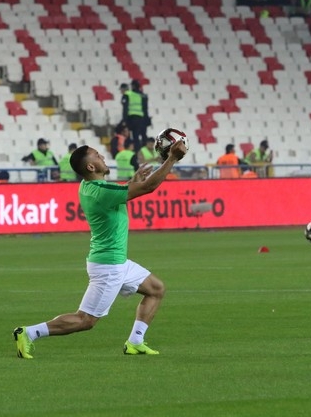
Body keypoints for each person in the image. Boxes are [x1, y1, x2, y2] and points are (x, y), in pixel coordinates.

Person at [13, 139, 188, 359]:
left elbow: (123, 191)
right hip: (108, 266)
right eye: (97, 155)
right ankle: (28, 333)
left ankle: (135, 342)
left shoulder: (87, 186)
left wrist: (131, 184)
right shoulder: (102, 191)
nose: (102, 157)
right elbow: (148, 188)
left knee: (156, 289)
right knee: (85, 320)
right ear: (90, 167)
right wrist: (172, 158)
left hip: (116, 261)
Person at [122, 80, 148, 151]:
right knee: (143, 136)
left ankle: (136, 152)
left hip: (132, 118)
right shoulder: (143, 95)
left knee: (135, 137)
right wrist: (147, 120)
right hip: (142, 119)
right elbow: (145, 109)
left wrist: (124, 120)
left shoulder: (128, 94)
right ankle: (144, 152)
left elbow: (125, 109)